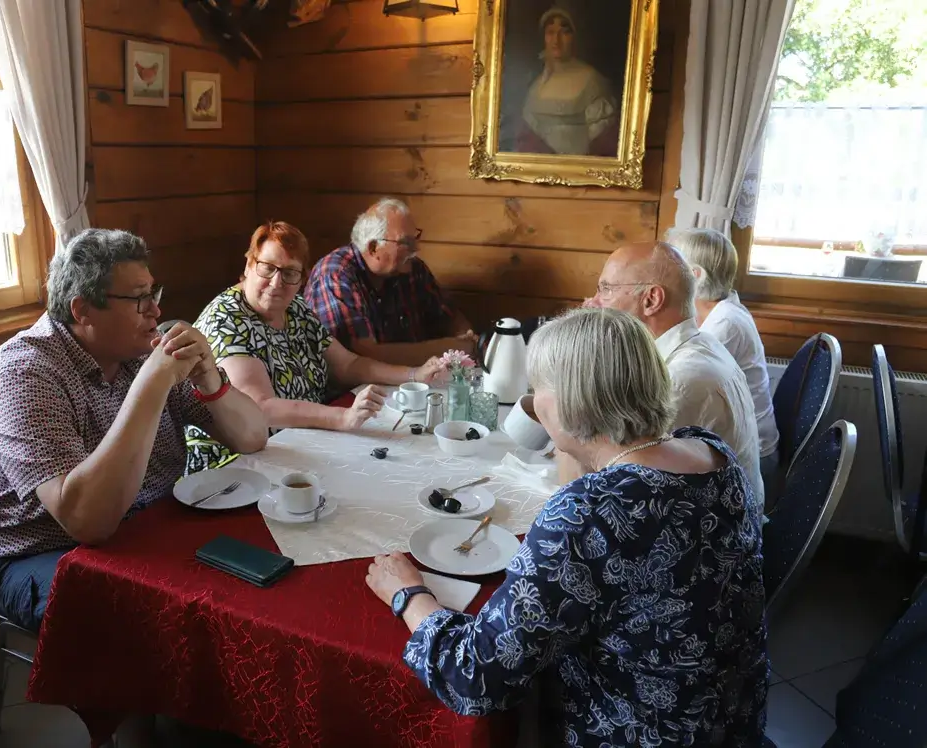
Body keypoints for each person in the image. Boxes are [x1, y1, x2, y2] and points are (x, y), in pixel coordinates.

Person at [366, 307, 768, 746]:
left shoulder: (586, 514)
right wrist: (578, 444)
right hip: (733, 724)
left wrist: (409, 596)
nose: (534, 402)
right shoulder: (711, 451)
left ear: (569, 401)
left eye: (538, 388)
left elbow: (476, 676)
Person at [0, 228, 269, 632]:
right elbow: (88, 521)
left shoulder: (137, 351)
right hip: (34, 549)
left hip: (145, 523)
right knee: (152, 618)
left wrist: (211, 380)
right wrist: (152, 385)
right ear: (83, 309)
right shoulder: (24, 374)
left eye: (153, 293)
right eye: (138, 299)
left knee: (252, 567)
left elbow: (252, 438)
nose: (155, 311)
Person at [186, 221, 447, 472]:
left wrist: (414, 375)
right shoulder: (226, 319)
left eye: (289, 273)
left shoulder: (295, 308)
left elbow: (348, 364)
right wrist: (342, 417)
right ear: (249, 265)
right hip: (235, 464)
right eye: (267, 267)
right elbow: (261, 407)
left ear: (302, 279)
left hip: (299, 442)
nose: (276, 283)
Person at [583, 240, 765, 511]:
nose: (594, 302)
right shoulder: (700, 343)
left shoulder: (678, 379)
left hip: (715, 530)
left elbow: (615, 482)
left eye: (606, 289)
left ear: (651, 300)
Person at [302, 197, 477, 367]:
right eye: (406, 242)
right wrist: (448, 349)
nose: (416, 248)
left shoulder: (412, 268)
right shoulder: (335, 275)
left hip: (420, 377)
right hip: (361, 384)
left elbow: (449, 315)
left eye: (415, 238)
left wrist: (465, 336)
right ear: (373, 248)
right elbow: (366, 356)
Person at [668, 227, 781, 489]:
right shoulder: (720, 310)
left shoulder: (725, 324)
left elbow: (683, 383)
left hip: (753, 458)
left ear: (694, 275)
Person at [514, 4, 620, 156]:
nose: (556, 40)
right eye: (550, 32)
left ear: (575, 37)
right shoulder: (537, 86)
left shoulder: (591, 81)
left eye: (564, 32)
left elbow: (602, 145)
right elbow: (525, 140)